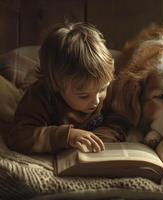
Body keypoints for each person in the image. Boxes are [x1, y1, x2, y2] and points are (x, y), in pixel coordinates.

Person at [5, 22, 117, 154]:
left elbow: (119, 119)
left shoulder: (106, 85)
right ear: (56, 86)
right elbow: (18, 136)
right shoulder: (41, 96)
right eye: (83, 96)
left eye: (102, 90)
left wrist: (97, 139)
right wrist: (66, 137)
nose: (96, 101)